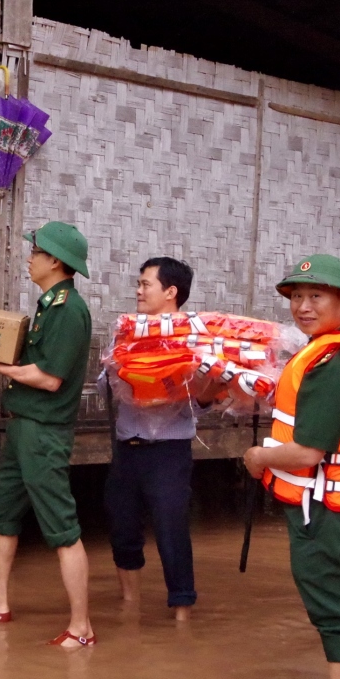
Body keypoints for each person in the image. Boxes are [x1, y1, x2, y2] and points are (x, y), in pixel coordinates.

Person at [243, 254, 340, 679]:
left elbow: (308, 452)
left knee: (335, 607)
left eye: (316, 296)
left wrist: (258, 457)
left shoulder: (336, 362)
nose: (303, 306)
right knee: (335, 599)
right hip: (338, 503)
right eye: (297, 296)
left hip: (326, 507)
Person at [0, 222, 96, 647]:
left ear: (55, 261)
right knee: (2, 512)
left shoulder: (69, 310)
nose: (29, 258)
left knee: (61, 527)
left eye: (35, 252)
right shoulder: (49, 304)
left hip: (44, 431)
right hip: (23, 426)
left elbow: (50, 377)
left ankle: (82, 627)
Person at [101, 258, 216, 621]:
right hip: (128, 446)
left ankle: (182, 610)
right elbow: (106, 386)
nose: (138, 290)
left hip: (169, 451)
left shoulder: (194, 339)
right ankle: (129, 602)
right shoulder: (126, 333)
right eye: (138, 283)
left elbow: (204, 402)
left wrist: (194, 380)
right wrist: (123, 369)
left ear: (171, 292)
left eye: (145, 284)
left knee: (171, 529)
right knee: (121, 525)